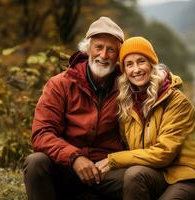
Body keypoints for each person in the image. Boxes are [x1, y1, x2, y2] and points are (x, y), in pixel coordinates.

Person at [95, 36, 195, 200]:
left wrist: (113, 160)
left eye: (141, 61)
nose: (136, 69)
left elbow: (163, 154)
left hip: (188, 177)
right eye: (129, 64)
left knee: (134, 173)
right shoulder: (126, 103)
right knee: (96, 179)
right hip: (155, 174)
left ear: (152, 64)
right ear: (124, 71)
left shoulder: (176, 101)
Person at [24, 16, 127, 200]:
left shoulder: (126, 87)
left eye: (111, 50)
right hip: (67, 168)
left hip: (106, 172)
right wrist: (75, 158)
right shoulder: (60, 84)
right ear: (88, 50)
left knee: (139, 179)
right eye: (98, 47)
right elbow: (42, 134)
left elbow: (150, 75)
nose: (103, 55)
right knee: (35, 162)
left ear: (118, 56)